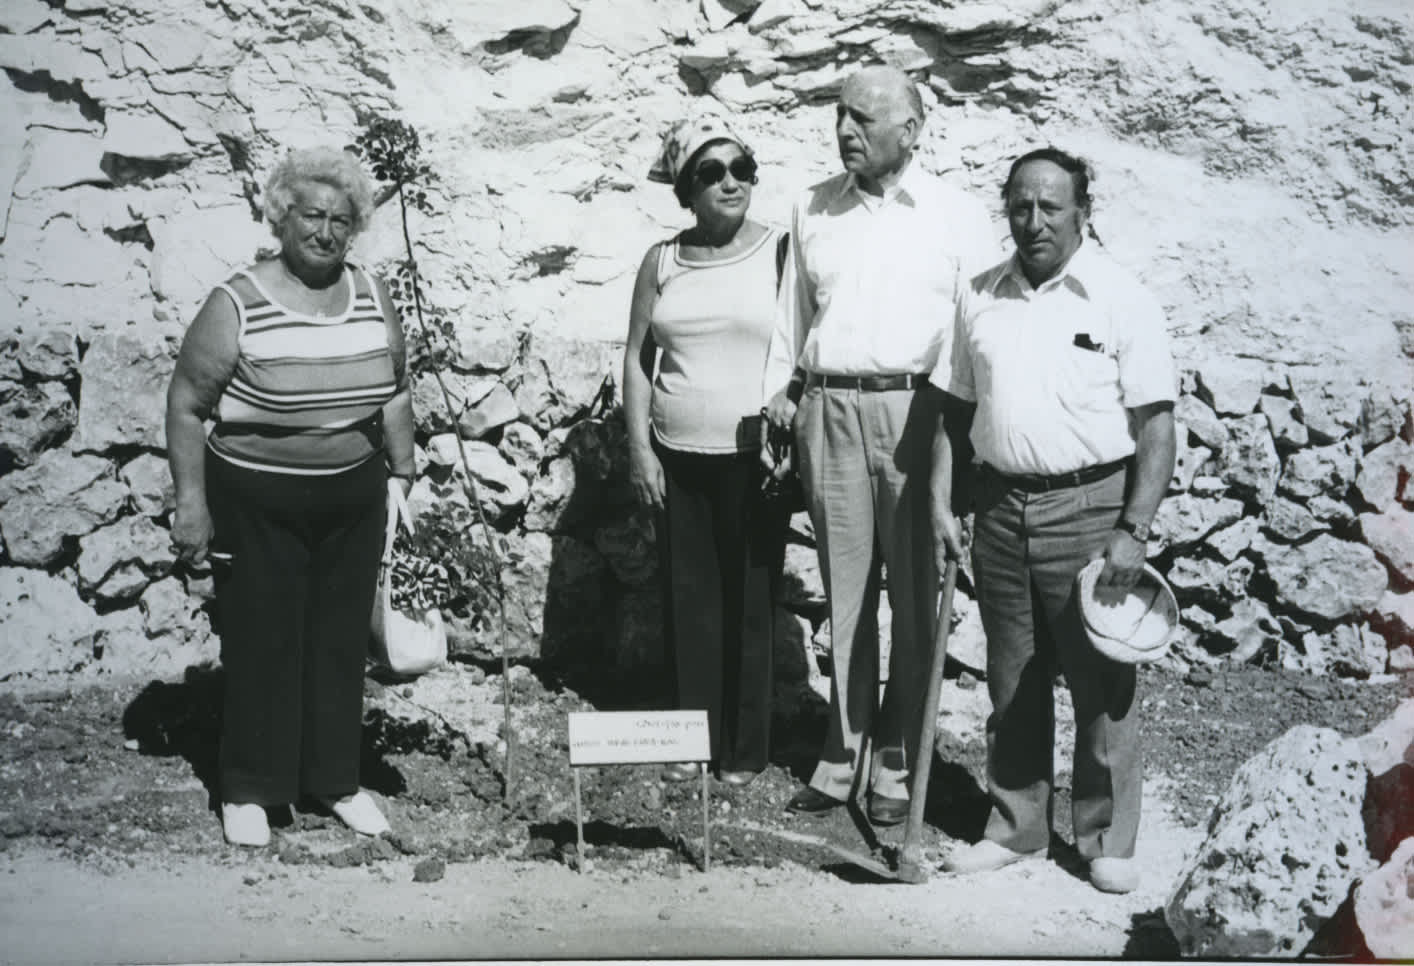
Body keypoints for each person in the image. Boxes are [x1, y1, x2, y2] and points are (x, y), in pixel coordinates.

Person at [929, 147, 1177, 894]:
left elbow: (1157, 427)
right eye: (1019, 206)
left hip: (1092, 506)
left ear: (1082, 212)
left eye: (1050, 207)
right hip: (1001, 507)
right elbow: (954, 412)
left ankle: (1104, 838)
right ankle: (1016, 825)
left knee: (1103, 685)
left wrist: (1132, 528)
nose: (1033, 221)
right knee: (1012, 678)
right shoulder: (978, 294)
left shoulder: (1119, 295)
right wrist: (943, 503)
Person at [761, 65, 996, 826]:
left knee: (918, 595)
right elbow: (792, 314)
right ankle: (842, 748)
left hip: (916, 414)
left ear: (913, 131)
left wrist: (957, 434)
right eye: (839, 116)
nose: (844, 131)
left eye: (862, 118)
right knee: (847, 590)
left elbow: (974, 330)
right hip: (828, 408)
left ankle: (896, 756)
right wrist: (782, 394)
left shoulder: (955, 216)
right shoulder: (813, 207)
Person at [166, 146, 415, 847]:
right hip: (256, 501)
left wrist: (403, 472)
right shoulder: (236, 300)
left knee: (339, 643)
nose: (327, 231)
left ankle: (334, 779)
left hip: (353, 496)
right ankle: (249, 788)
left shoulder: (371, 291)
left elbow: (393, 386)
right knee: (262, 639)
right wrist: (191, 503)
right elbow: (187, 405)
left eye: (342, 219)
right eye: (312, 215)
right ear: (281, 217)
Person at [623, 117, 790, 786]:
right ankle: (695, 738)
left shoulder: (781, 251)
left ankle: (745, 751)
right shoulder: (661, 261)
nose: (730, 181)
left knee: (751, 601)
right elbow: (637, 358)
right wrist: (640, 449)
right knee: (690, 600)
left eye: (741, 169)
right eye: (711, 172)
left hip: (755, 458)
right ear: (685, 191)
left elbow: (805, 346)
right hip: (678, 455)